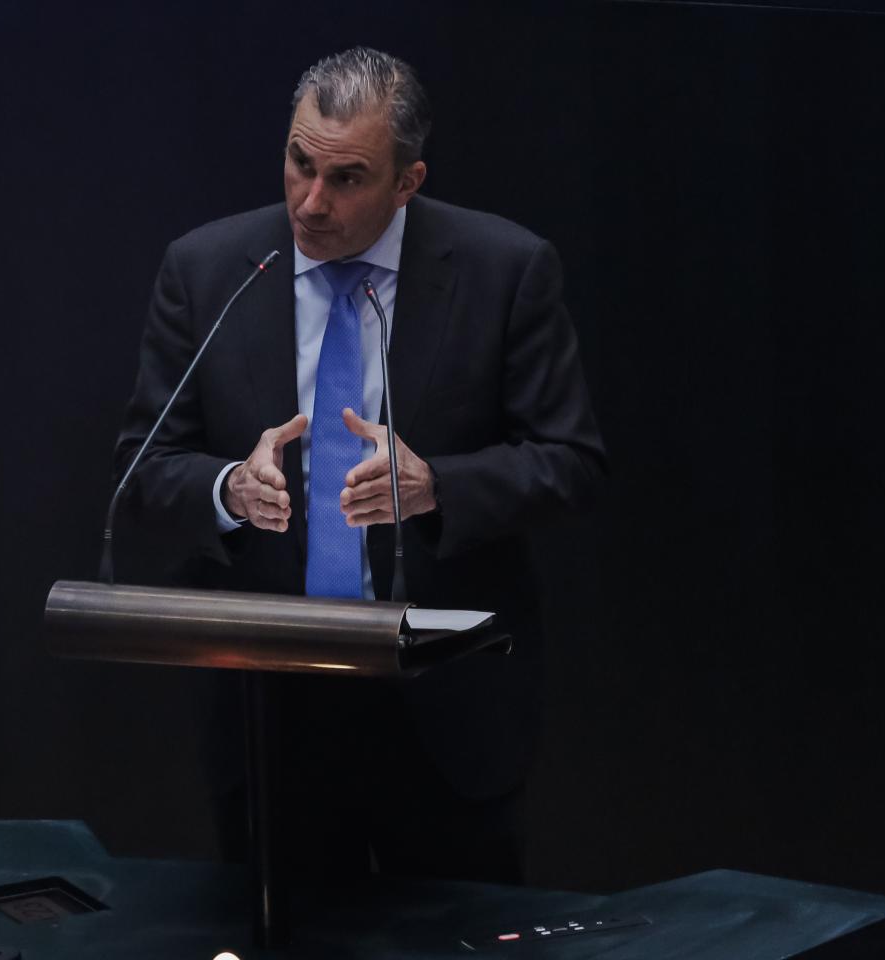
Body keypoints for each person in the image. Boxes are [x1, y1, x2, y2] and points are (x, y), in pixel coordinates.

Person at [113, 46, 605, 885]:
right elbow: (144, 466)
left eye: (347, 179)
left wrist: (436, 486)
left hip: (444, 702)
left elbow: (572, 462)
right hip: (273, 706)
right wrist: (229, 489)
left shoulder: (504, 270)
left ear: (407, 182)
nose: (311, 201)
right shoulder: (207, 270)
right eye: (300, 164)